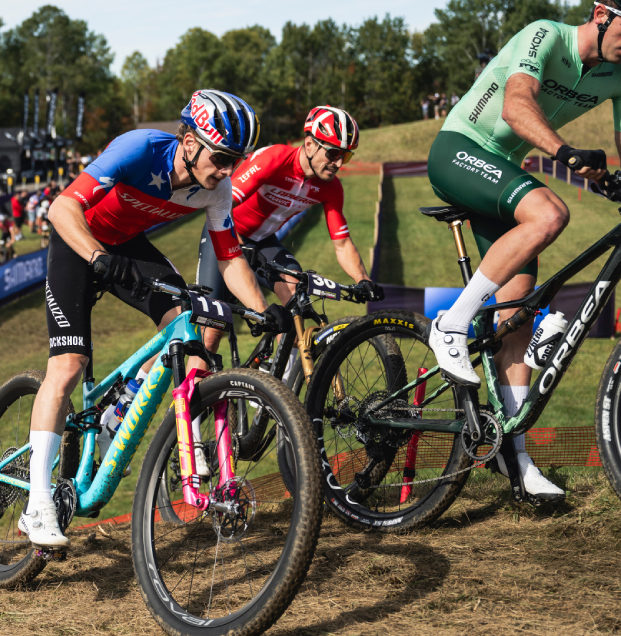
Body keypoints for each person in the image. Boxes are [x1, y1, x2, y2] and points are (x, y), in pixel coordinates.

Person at [19, 89, 287, 548]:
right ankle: (37, 504)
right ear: (188, 141)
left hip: (126, 249)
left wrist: (264, 312)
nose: (226, 172)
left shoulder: (216, 190)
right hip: (78, 239)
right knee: (68, 365)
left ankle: (120, 407)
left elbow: (229, 256)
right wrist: (96, 255)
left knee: (187, 327)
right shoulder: (139, 148)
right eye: (221, 158)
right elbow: (61, 207)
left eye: (235, 161)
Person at [420, 9, 621, 501]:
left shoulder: (618, 73)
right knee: (550, 214)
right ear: (600, 14)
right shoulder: (545, 36)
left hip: (500, 167)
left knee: (517, 318)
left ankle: (517, 457)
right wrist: (567, 153)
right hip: (460, 150)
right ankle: (451, 324)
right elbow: (516, 105)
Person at [195, 106, 382, 382]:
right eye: (333, 153)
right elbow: (222, 207)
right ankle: (191, 412)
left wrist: (362, 278)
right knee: (212, 331)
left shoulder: (331, 188)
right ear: (309, 143)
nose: (339, 163)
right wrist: (236, 251)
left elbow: (342, 243)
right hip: (224, 233)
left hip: (263, 242)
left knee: (296, 297)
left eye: (346, 155)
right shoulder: (275, 159)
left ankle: (276, 382)